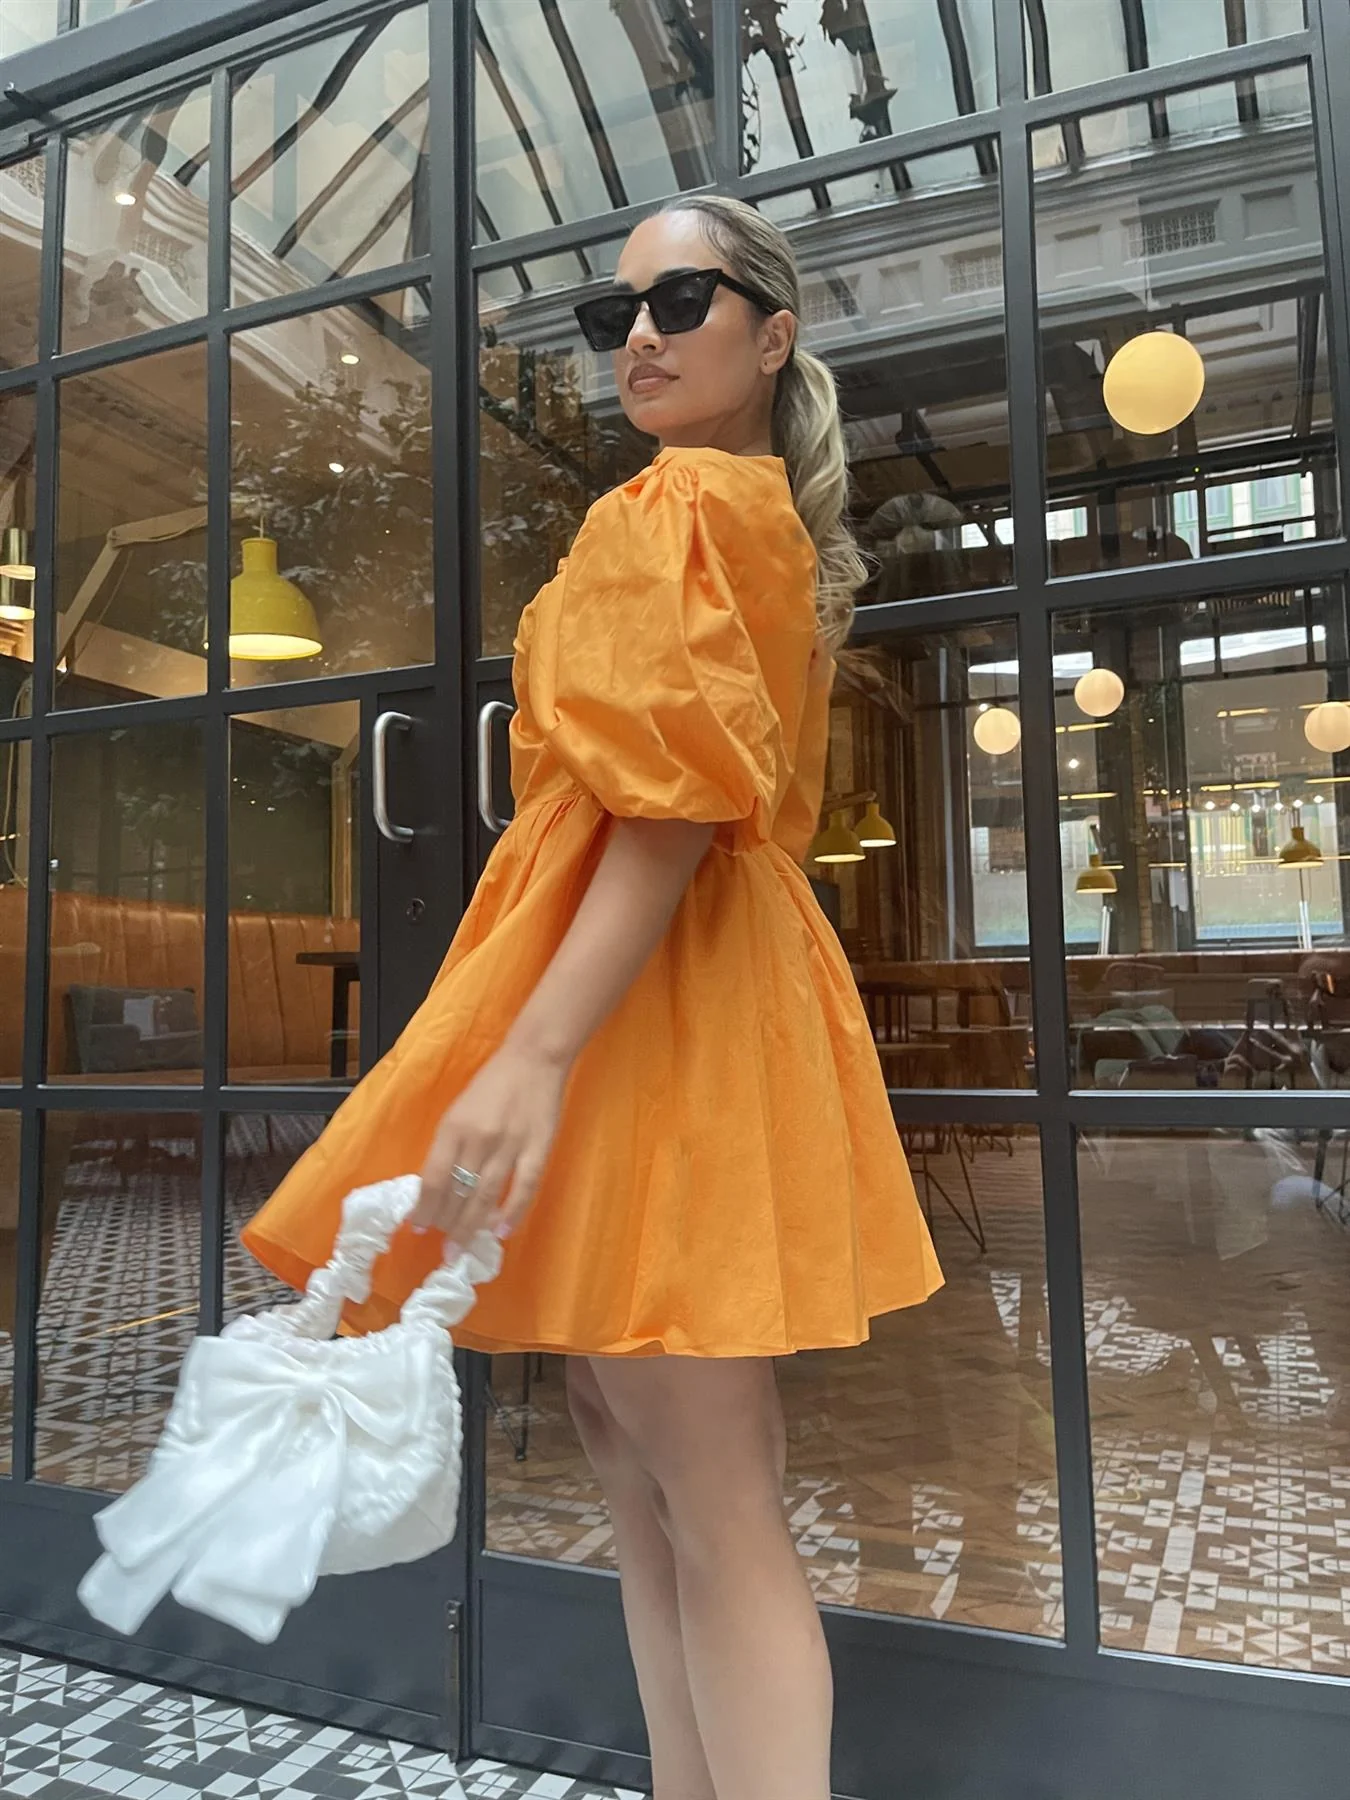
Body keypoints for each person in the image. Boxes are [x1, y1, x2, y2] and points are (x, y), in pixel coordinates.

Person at [242, 194, 941, 1800]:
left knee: (703, 1488)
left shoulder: (683, 503)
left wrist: (534, 1052)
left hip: (654, 1008)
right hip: (679, 991)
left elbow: (671, 811)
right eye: (611, 311)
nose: (636, 333)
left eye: (679, 300)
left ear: (771, 333)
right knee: (652, 1472)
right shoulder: (726, 508)